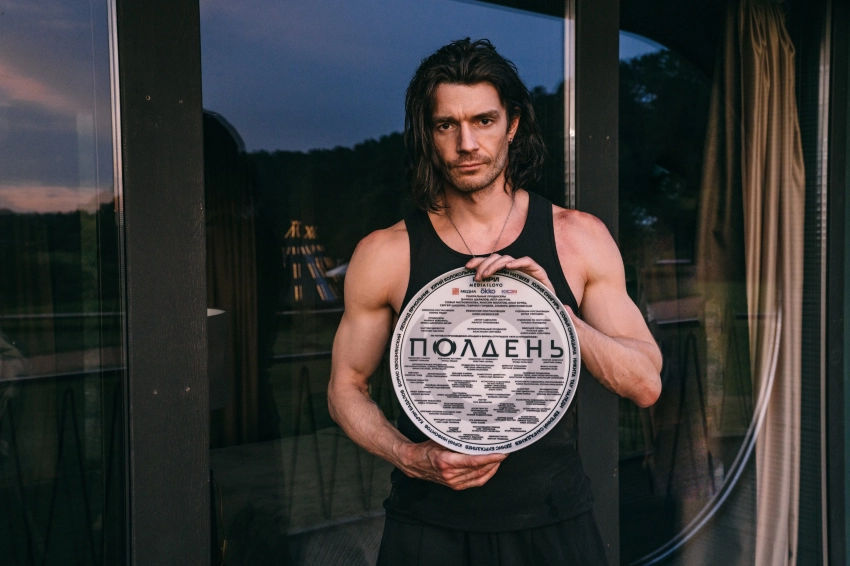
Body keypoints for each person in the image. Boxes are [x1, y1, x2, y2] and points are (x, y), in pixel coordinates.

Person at [328, 38, 662, 565]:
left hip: (553, 523)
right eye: (446, 125)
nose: (466, 143)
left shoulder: (578, 238)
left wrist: (555, 315)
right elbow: (344, 387)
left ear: (512, 125)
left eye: (483, 121)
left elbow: (644, 384)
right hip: (429, 526)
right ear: (428, 134)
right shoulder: (385, 253)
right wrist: (409, 456)